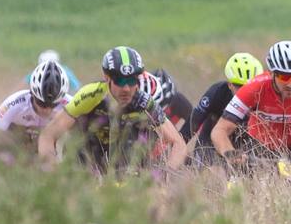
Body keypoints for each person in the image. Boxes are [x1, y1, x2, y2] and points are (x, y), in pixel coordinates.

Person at [38, 47, 186, 173]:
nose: (126, 88)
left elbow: (178, 144)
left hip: (124, 164)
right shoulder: (90, 95)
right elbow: (48, 136)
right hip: (85, 161)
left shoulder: (145, 102)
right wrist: (53, 173)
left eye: (132, 80)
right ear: (106, 77)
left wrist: (164, 176)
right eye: (120, 81)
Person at [0, 59, 71, 146]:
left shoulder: (70, 104)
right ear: (32, 94)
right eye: (41, 103)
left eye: (53, 105)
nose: (46, 110)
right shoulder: (11, 104)